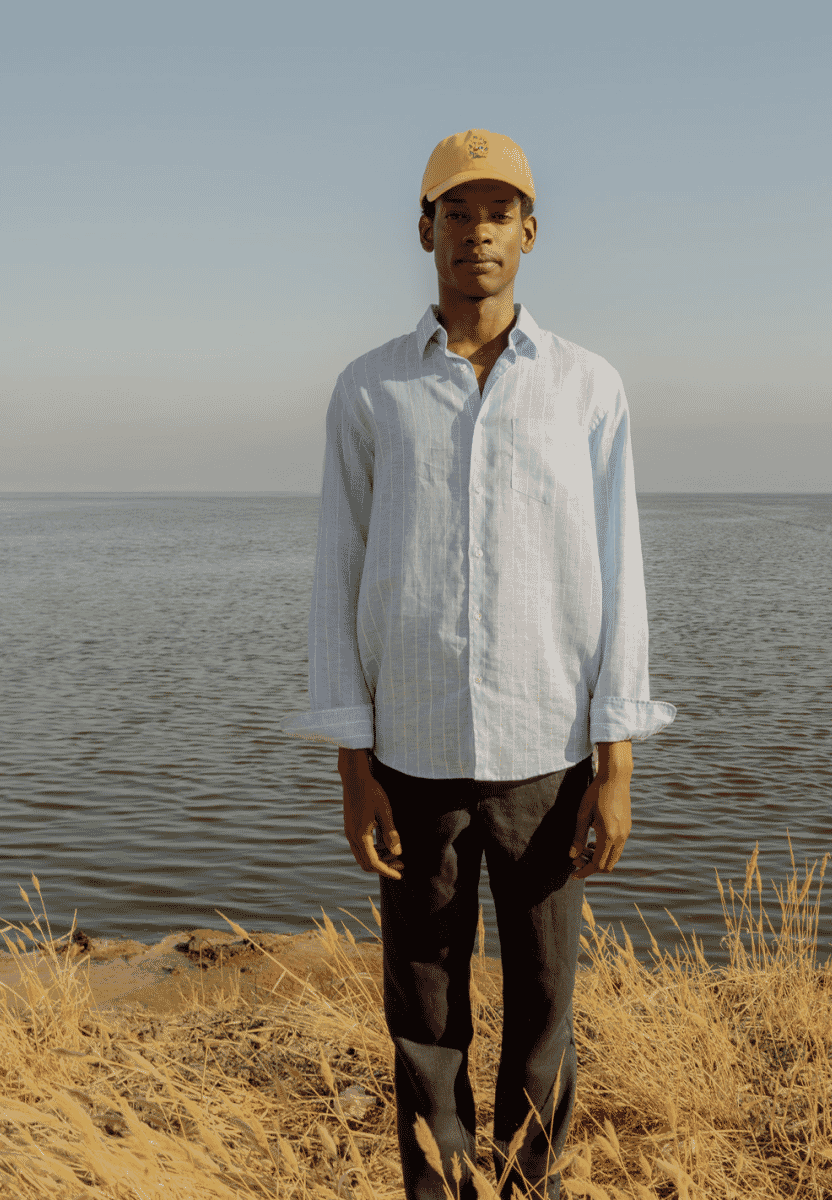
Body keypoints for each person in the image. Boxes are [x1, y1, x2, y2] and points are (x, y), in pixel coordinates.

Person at [281, 128, 675, 1200]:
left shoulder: (588, 388)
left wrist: (616, 759)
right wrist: (351, 764)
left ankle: (529, 1185)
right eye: (455, 212)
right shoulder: (368, 392)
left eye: (497, 212)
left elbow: (617, 573)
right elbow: (337, 577)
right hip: (409, 751)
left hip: (547, 753)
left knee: (545, 1001)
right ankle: (436, 1188)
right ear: (424, 230)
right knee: (423, 1008)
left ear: (530, 233)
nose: (476, 231)